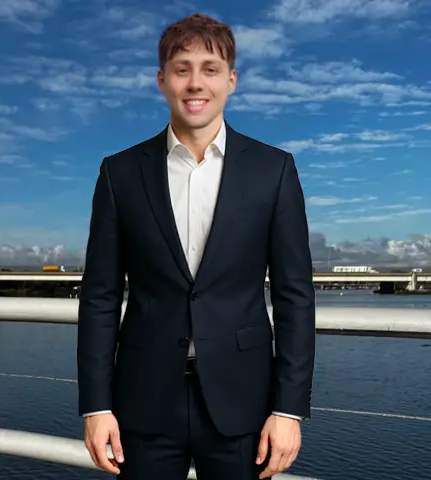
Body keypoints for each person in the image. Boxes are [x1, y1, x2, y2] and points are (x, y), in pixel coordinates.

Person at [77, 12, 315, 480]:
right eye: (181, 69)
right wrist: (96, 406)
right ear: (161, 80)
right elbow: (100, 296)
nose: (195, 83)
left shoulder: (274, 170)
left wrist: (288, 410)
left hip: (245, 404)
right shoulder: (119, 173)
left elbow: (295, 297)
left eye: (210, 69)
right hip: (141, 404)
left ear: (231, 80)